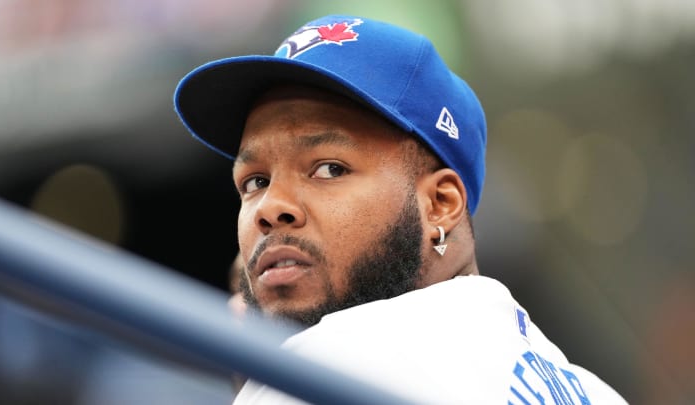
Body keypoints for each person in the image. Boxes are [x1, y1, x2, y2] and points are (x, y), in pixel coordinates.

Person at [173, 14, 628, 404]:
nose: (271, 208)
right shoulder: (592, 390)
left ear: (440, 204)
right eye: (255, 181)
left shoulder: (338, 360)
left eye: (329, 169)